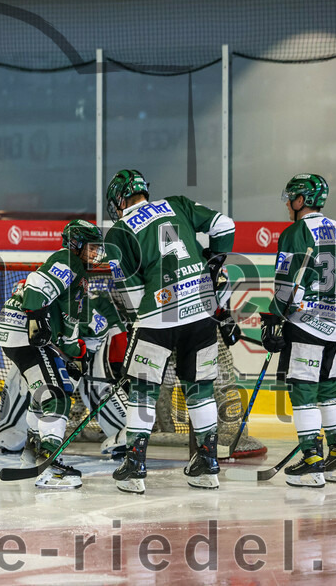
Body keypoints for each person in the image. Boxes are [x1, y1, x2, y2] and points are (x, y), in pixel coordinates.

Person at [104, 169, 235, 494]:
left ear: (120, 200)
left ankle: (135, 468)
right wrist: (214, 262)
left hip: (157, 315)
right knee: (200, 388)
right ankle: (207, 464)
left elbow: (133, 296)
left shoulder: (120, 230)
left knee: (143, 390)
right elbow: (224, 225)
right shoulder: (177, 204)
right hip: (203, 311)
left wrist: (138, 319)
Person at [0, 219, 104, 489]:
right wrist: (37, 319)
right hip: (24, 331)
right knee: (56, 396)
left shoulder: (77, 273)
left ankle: (31, 456)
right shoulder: (68, 260)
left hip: (16, 332)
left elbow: (67, 325)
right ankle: (48, 465)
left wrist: (74, 355)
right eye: (90, 247)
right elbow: (36, 286)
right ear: (75, 243)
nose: (95, 253)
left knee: (42, 393)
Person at [260, 173, 336, 488]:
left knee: (303, 389)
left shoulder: (297, 232)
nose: (288, 203)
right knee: (329, 390)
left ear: (302, 200)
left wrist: (275, 318)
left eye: (291, 197)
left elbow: (289, 283)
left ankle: (313, 462)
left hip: (309, 323)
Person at [0, 288, 129, 459]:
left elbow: (101, 347)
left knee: (92, 385)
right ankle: (15, 434)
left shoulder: (92, 318)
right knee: (36, 383)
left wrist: (79, 365)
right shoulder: (39, 299)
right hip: (53, 340)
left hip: (86, 344)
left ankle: (124, 434)